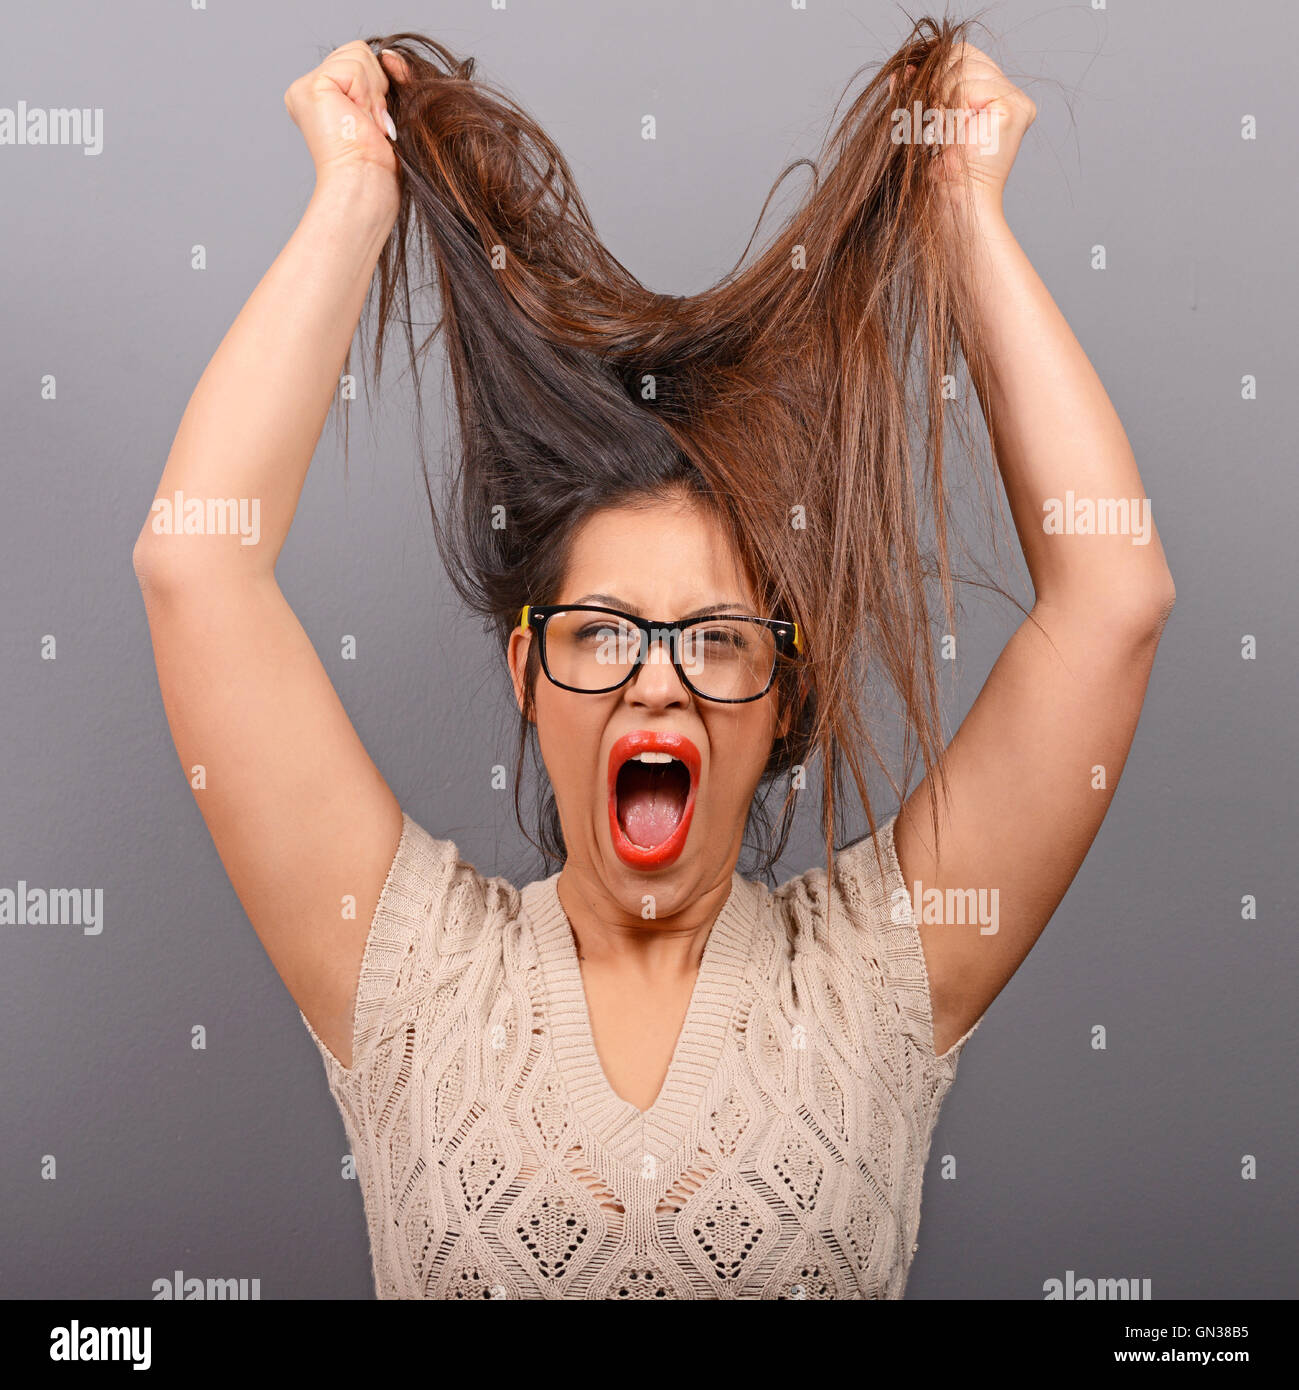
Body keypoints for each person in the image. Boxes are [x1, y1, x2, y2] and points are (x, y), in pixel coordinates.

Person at [133, 20, 1174, 1299]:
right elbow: (196, 565)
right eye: (603, 631)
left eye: (719, 638)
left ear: (783, 693)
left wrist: (959, 205)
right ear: (528, 672)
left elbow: (1112, 591)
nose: (657, 678)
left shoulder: (881, 978)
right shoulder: (406, 974)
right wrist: (358, 193)